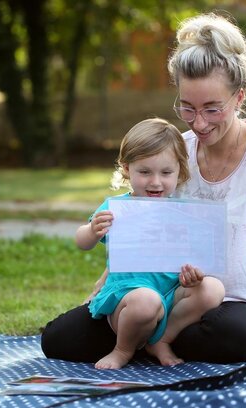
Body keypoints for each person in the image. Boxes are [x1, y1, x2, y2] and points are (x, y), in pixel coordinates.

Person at [41, 12, 246, 364]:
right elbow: (141, 219)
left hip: (233, 301)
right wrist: (109, 279)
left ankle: (144, 340)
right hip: (165, 294)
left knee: (235, 337)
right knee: (59, 340)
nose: (199, 123)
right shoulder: (175, 150)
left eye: (212, 109)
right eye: (187, 107)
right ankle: (147, 336)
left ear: (239, 98)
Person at [77, 118, 225, 369]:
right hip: (129, 297)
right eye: (144, 172)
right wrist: (92, 230)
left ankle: (161, 340)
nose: (155, 182)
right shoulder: (119, 208)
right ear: (126, 169)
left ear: (180, 170)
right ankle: (123, 349)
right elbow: (82, 242)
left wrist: (193, 275)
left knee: (213, 289)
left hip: (171, 293)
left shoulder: (185, 213)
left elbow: (195, 257)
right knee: (146, 301)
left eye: (166, 173)